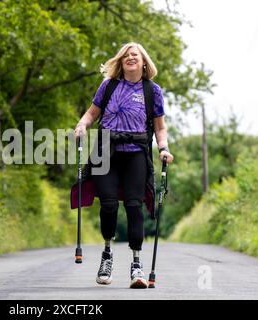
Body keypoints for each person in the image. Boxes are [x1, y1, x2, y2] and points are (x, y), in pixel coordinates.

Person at [74, 42, 174, 289]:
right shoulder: (108, 86)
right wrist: (82, 125)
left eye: (135, 55)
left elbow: (160, 127)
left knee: (133, 205)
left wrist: (164, 149)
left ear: (143, 62)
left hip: (136, 154)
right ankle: (107, 254)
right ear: (121, 61)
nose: (130, 58)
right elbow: (91, 113)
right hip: (105, 150)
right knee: (108, 204)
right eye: (126, 55)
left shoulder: (152, 91)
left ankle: (136, 264)